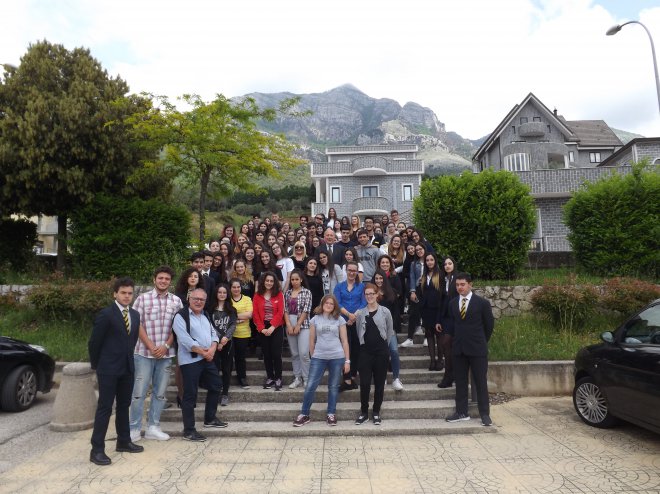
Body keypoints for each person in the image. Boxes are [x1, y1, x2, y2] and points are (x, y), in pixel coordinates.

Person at [88, 277, 143, 465]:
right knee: (105, 408)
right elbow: (94, 343)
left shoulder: (135, 315)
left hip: (127, 368)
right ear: (115, 294)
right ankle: (96, 450)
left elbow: (132, 341)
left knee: (123, 406)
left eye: (130, 293)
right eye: (123, 293)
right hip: (108, 369)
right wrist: (98, 366)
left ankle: (124, 441)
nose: (127, 296)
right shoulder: (106, 314)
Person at [129, 266, 183, 443]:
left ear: (170, 282)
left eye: (167, 279)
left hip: (166, 354)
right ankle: (134, 428)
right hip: (144, 353)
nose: (163, 281)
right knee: (139, 393)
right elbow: (137, 324)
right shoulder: (142, 300)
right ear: (154, 279)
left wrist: (166, 345)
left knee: (160, 393)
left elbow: (179, 326)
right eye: (160, 278)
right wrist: (152, 346)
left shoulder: (176, 302)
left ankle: (153, 426)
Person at [172, 288, 228, 442]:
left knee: (216, 385)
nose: (198, 302)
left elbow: (213, 334)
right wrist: (204, 352)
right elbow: (185, 340)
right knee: (190, 395)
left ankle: (210, 419)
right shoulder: (181, 316)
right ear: (189, 299)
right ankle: (189, 431)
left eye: (202, 300)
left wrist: (212, 349)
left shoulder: (205, 315)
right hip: (190, 361)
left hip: (207, 358)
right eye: (195, 299)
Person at [293, 295, 350, 427]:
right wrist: (314, 356)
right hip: (319, 357)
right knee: (311, 386)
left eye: (331, 303)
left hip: (337, 357)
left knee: (333, 387)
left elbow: (345, 341)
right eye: (327, 303)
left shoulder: (340, 319)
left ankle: (331, 413)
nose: (329, 305)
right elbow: (311, 340)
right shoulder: (315, 319)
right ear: (322, 304)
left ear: (334, 306)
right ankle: (304, 414)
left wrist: (347, 361)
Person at [445, 273, 495, 427]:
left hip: (477, 349)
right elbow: (453, 326)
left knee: (480, 382)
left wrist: (480, 341)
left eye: (462, 284)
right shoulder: (453, 303)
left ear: (470, 285)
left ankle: (485, 414)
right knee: (460, 382)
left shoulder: (482, 304)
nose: (460, 287)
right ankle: (461, 412)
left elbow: (489, 326)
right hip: (459, 350)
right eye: (458, 285)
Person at [354, 283, 394, 426]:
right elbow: (359, 331)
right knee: (364, 383)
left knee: (379, 384)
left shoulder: (385, 312)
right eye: (367, 294)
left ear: (377, 294)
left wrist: (384, 347)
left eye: (372, 293)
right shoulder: (360, 313)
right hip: (365, 352)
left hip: (381, 352)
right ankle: (364, 412)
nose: (370, 296)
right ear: (364, 296)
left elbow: (389, 331)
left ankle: (376, 411)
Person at [333, 260, 366, 390]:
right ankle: (346, 379)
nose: (352, 272)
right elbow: (338, 303)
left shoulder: (362, 287)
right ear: (346, 271)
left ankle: (352, 378)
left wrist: (354, 316)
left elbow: (364, 303)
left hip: (357, 322)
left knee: (356, 350)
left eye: (354, 270)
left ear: (357, 272)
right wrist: (348, 315)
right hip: (343, 322)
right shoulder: (339, 286)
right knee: (345, 350)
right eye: (350, 270)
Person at [253, 271, 285, 390]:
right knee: (266, 354)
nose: (269, 283)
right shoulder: (257, 295)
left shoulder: (279, 294)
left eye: (271, 281)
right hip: (263, 328)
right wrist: (262, 329)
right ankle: (270, 377)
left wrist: (272, 326)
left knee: (276, 354)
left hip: (276, 327)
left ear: (275, 282)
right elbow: (255, 313)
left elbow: (280, 312)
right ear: (263, 281)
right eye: (267, 280)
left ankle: (278, 378)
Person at [373, 270, 404, 392]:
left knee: (394, 351)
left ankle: (396, 378)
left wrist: (393, 327)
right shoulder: (371, 293)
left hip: (390, 328)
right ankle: (382, 377)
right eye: (376, 278)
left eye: (381, 278)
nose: (379, 280)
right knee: (381, 354)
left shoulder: (392, 292)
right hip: (375, 328)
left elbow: (396, 312)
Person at [284, 269, 313, 389]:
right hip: (290, 322)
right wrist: (289, 325)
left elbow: (306, 310)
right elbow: (284, 310)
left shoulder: (307, 292)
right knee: (294, 353)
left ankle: (307, 378)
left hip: (303, 323)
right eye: (292, 279)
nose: (294, 281)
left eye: (297, 279)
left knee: (304, 353)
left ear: (301, 279)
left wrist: (298, 325)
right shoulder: (287, 293)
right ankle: (297, 377)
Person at [211, 284, 236, 407]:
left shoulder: (231, 309)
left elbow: (232, 325)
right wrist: (218, 341)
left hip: (228, 344)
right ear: (216, 293)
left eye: (224, 293)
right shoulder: (210, 309)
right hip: (213, 344)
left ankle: (225, 393)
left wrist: (225, 338)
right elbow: (210, 326)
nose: (222, 294)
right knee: (214, 370)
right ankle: (215, 392)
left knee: (226, 370)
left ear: (227, 294)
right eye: (220, 292)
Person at [418, 253, 444, 371]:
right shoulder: (424, 275)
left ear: (435, 261)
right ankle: (432, 360)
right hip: (426, 309)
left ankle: (440, 360)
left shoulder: (440, 274)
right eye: (427, 260)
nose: (429, 262)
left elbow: (442, 293)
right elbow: (422, 292)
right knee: (429, 334)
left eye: (431, 260)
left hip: (437, 308)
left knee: (438, 335)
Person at [437, 256, 458, 388]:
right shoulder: (443, 280)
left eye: (450, 263)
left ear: (454, 265)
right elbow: (441, 301)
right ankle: (450, 375)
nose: (447, 266)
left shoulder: (457, 279)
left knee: (447, 344)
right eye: (445, 264)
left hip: (455, 317)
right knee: (446, 346)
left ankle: (449, 376)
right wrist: (438, 320)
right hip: (445, 317)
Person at [400, 243, 426, 348]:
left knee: (426, 315)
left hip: (429, 290)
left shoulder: (430, 261)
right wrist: (412, 291)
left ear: (424, 249)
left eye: (421, 249)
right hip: (418, 290)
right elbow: (412, 277)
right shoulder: (414, 264)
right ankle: (410, 338)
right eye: (417, 250)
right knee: (413, 314)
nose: (419, 251)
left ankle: (426, 338)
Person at [229, 278, 253, 389]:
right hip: (228, 333)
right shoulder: (227, 300)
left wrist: (233, 317)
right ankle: (226, 379)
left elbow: (249, 315)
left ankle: (242, 378)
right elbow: (225, 314)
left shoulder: (247, 299)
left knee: (240, 357)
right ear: (230, 288)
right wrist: (239, 317)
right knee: (228, 358)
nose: (236, 289)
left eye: (238, 287)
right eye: (234, 287)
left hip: (243, 333)